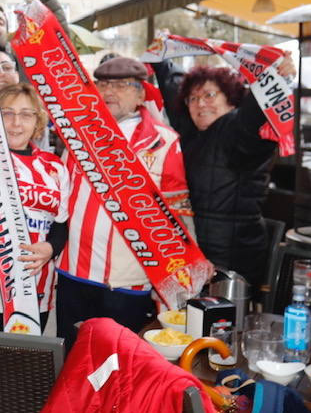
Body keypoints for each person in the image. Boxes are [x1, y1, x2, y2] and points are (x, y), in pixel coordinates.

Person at [53, 55, 192, 349]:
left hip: (130, 280)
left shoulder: (164, 141)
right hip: (74, 270)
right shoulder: (75, 134)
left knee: (120, 363)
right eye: (103, 84)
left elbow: (178, 214)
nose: (110, 92)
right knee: (70, 356)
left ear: (141, 93)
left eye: (122, 85)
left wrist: (173, 279)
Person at [158, 60, 291, 289]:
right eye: (193, 98)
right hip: (192, 255)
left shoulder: (237, 130)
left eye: (210, 95)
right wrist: (162, 60)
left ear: (231, 100)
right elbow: (173, 89)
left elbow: (254, 113)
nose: (200, 104)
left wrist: (275, 78)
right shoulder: (192, 132)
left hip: (230, 262)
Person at [0, 83, 66, 332]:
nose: (16, 122)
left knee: (28, 365)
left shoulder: (55, 167)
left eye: (26, 114)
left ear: (37, 121)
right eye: (7, 113)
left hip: (38, 285)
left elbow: (62, 223)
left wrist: (50, 247)